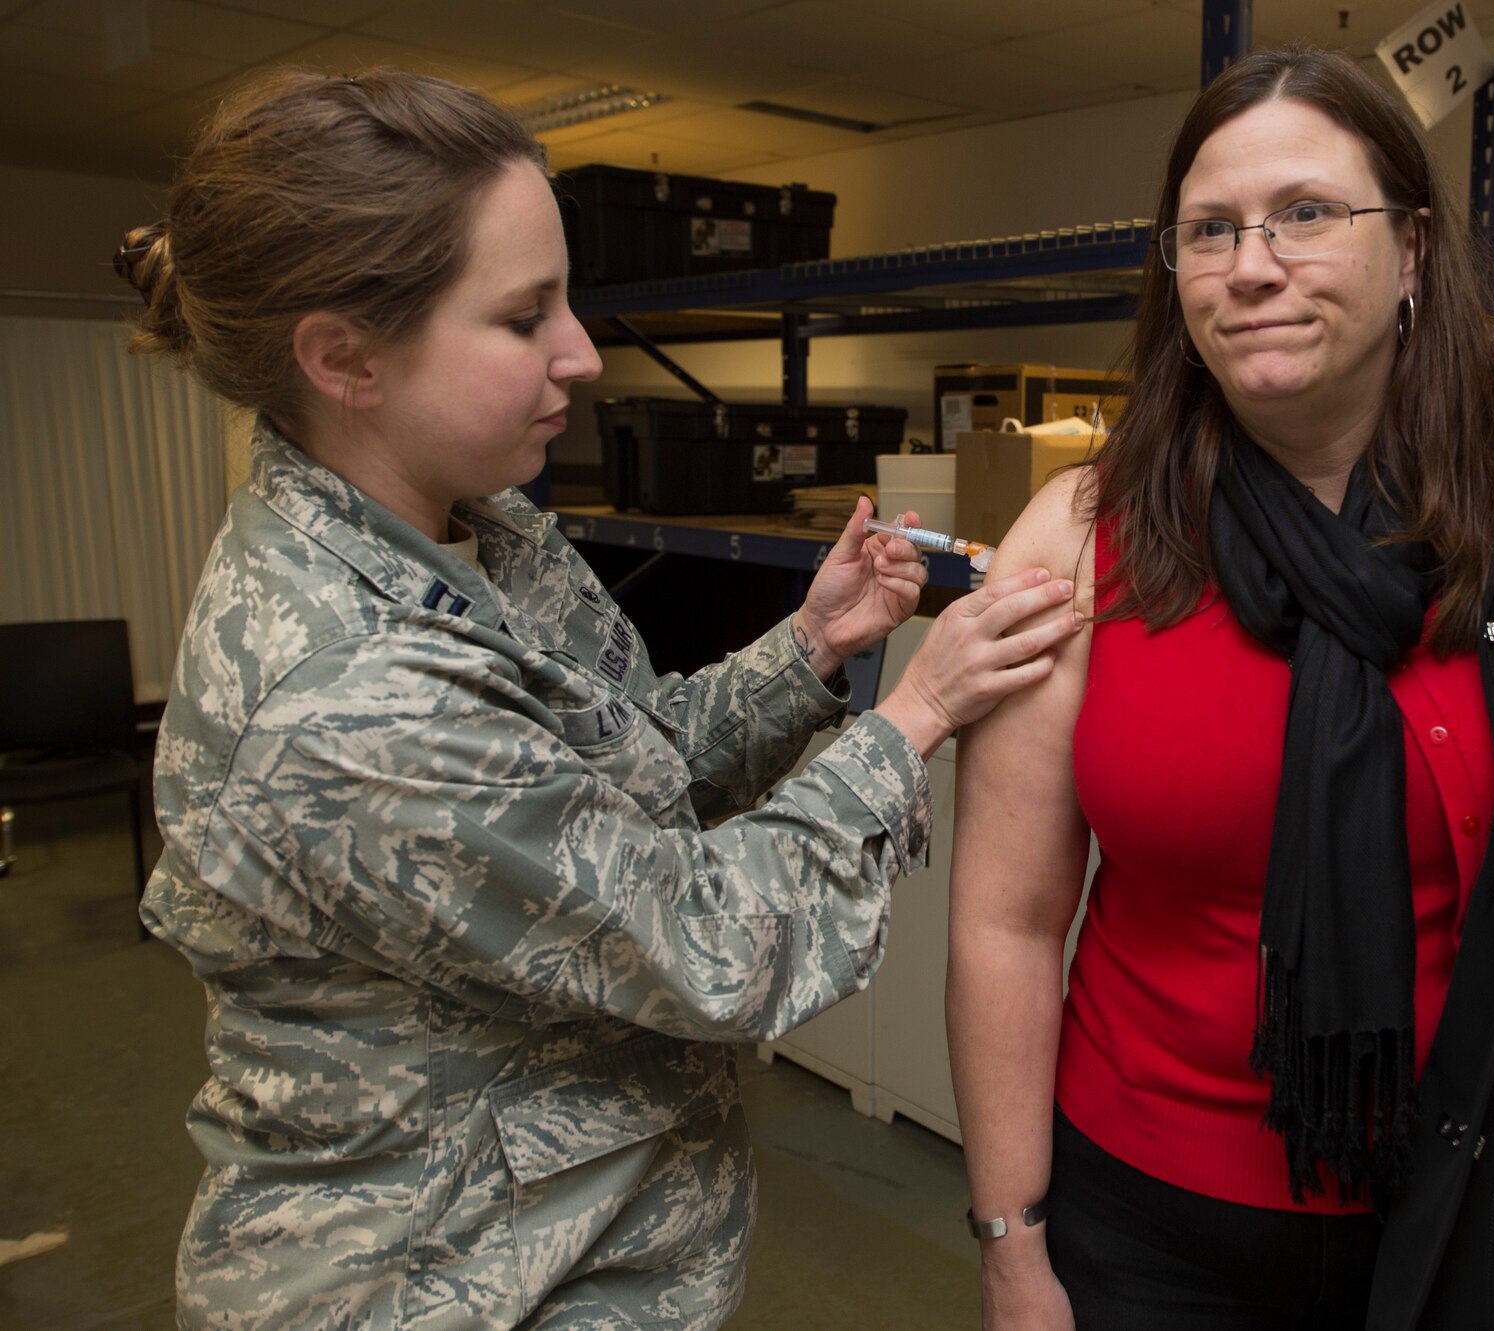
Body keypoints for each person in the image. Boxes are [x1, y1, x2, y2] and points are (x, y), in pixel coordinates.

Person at [123, 67, 1081, 1330]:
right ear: (343, 356)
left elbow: (616, 778)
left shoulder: (477, 520)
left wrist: (804, 649)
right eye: (524, 317)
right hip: (440, 1286)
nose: (578, 350)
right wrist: (920, 713)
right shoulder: (348, 697)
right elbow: (704, 943)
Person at [948, 46, 1494, 1331]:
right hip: (1153, 1230)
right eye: (1209, 229)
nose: (1250, 263)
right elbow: (1007, 921)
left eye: (1303, 213)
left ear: (1409, 252)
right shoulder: (1081, 535)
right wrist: (1012, 1244)